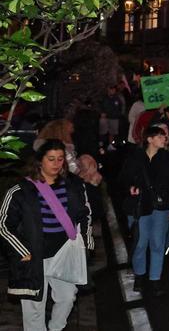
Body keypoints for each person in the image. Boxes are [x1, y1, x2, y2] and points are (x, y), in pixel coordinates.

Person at [1, 140, 93, 331]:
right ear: (39, 161)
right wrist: (22, 251)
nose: (56, 163)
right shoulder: (21, 190)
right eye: (51, 159)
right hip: (33, 256)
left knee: (67, 298)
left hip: (64, 252)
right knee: (34, 307)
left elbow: (85, 214)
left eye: (60, 159)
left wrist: (86, 242)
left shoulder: (73, 185)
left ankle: (56, 328)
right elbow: (3, 225)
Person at [119, 124, 169, 294]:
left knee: (157, 243)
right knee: (140, 242)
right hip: (141, 206)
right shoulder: (135, 157)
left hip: (161, 206)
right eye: (160, 136)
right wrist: (131, 186)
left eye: (164, 136)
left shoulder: (166, 157)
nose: (164, 139)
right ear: (150, 139)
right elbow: (124, 177)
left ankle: (155, 279)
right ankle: (139, 275)